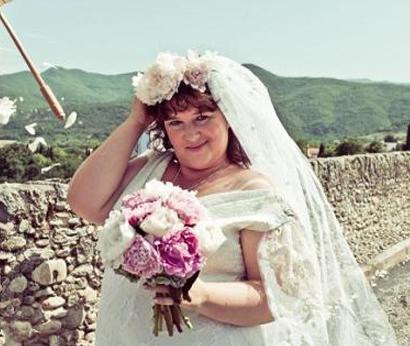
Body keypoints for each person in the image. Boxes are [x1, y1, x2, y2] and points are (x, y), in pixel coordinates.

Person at [67, 51, 397, 345]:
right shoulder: (151, 167)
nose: (190, 134)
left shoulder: (254, 193)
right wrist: (136, 120)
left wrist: (202, 295)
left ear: (228, 118)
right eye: (175, 122)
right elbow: (85, 203)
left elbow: (273, 297)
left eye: (202, 117)